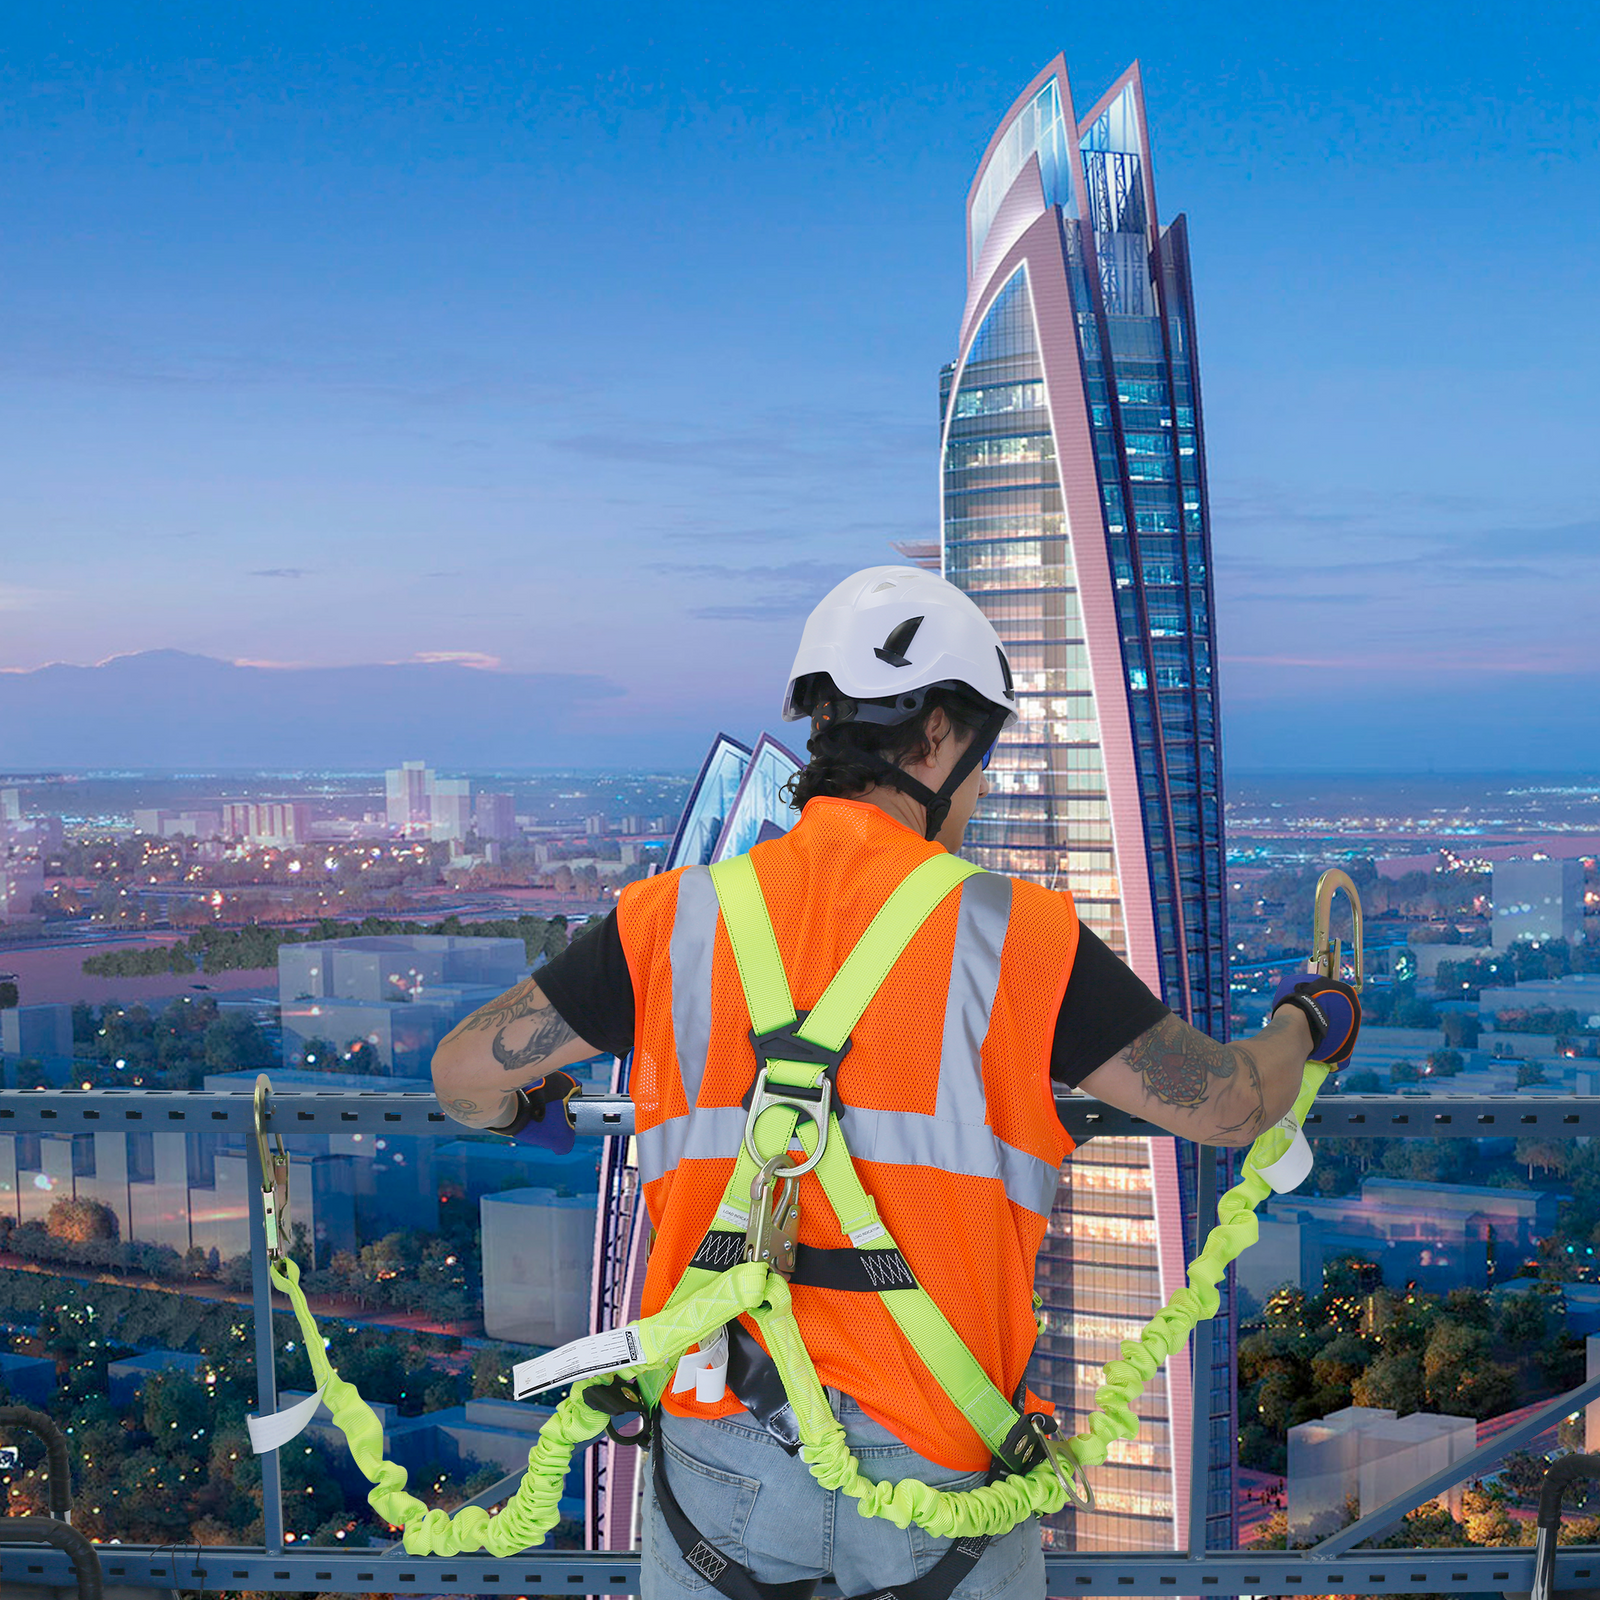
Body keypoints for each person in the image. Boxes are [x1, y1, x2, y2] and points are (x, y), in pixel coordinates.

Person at [431, 565, 1359, 1599]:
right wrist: (1309, 1020)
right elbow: (1230, 1103)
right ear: (938, 737)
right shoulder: (1012, 934)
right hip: (936, 1459)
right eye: (980, 763)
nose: (978, 791)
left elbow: (462, 1073)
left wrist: (530, 1110)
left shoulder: (673, 920)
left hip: (720, 1438)